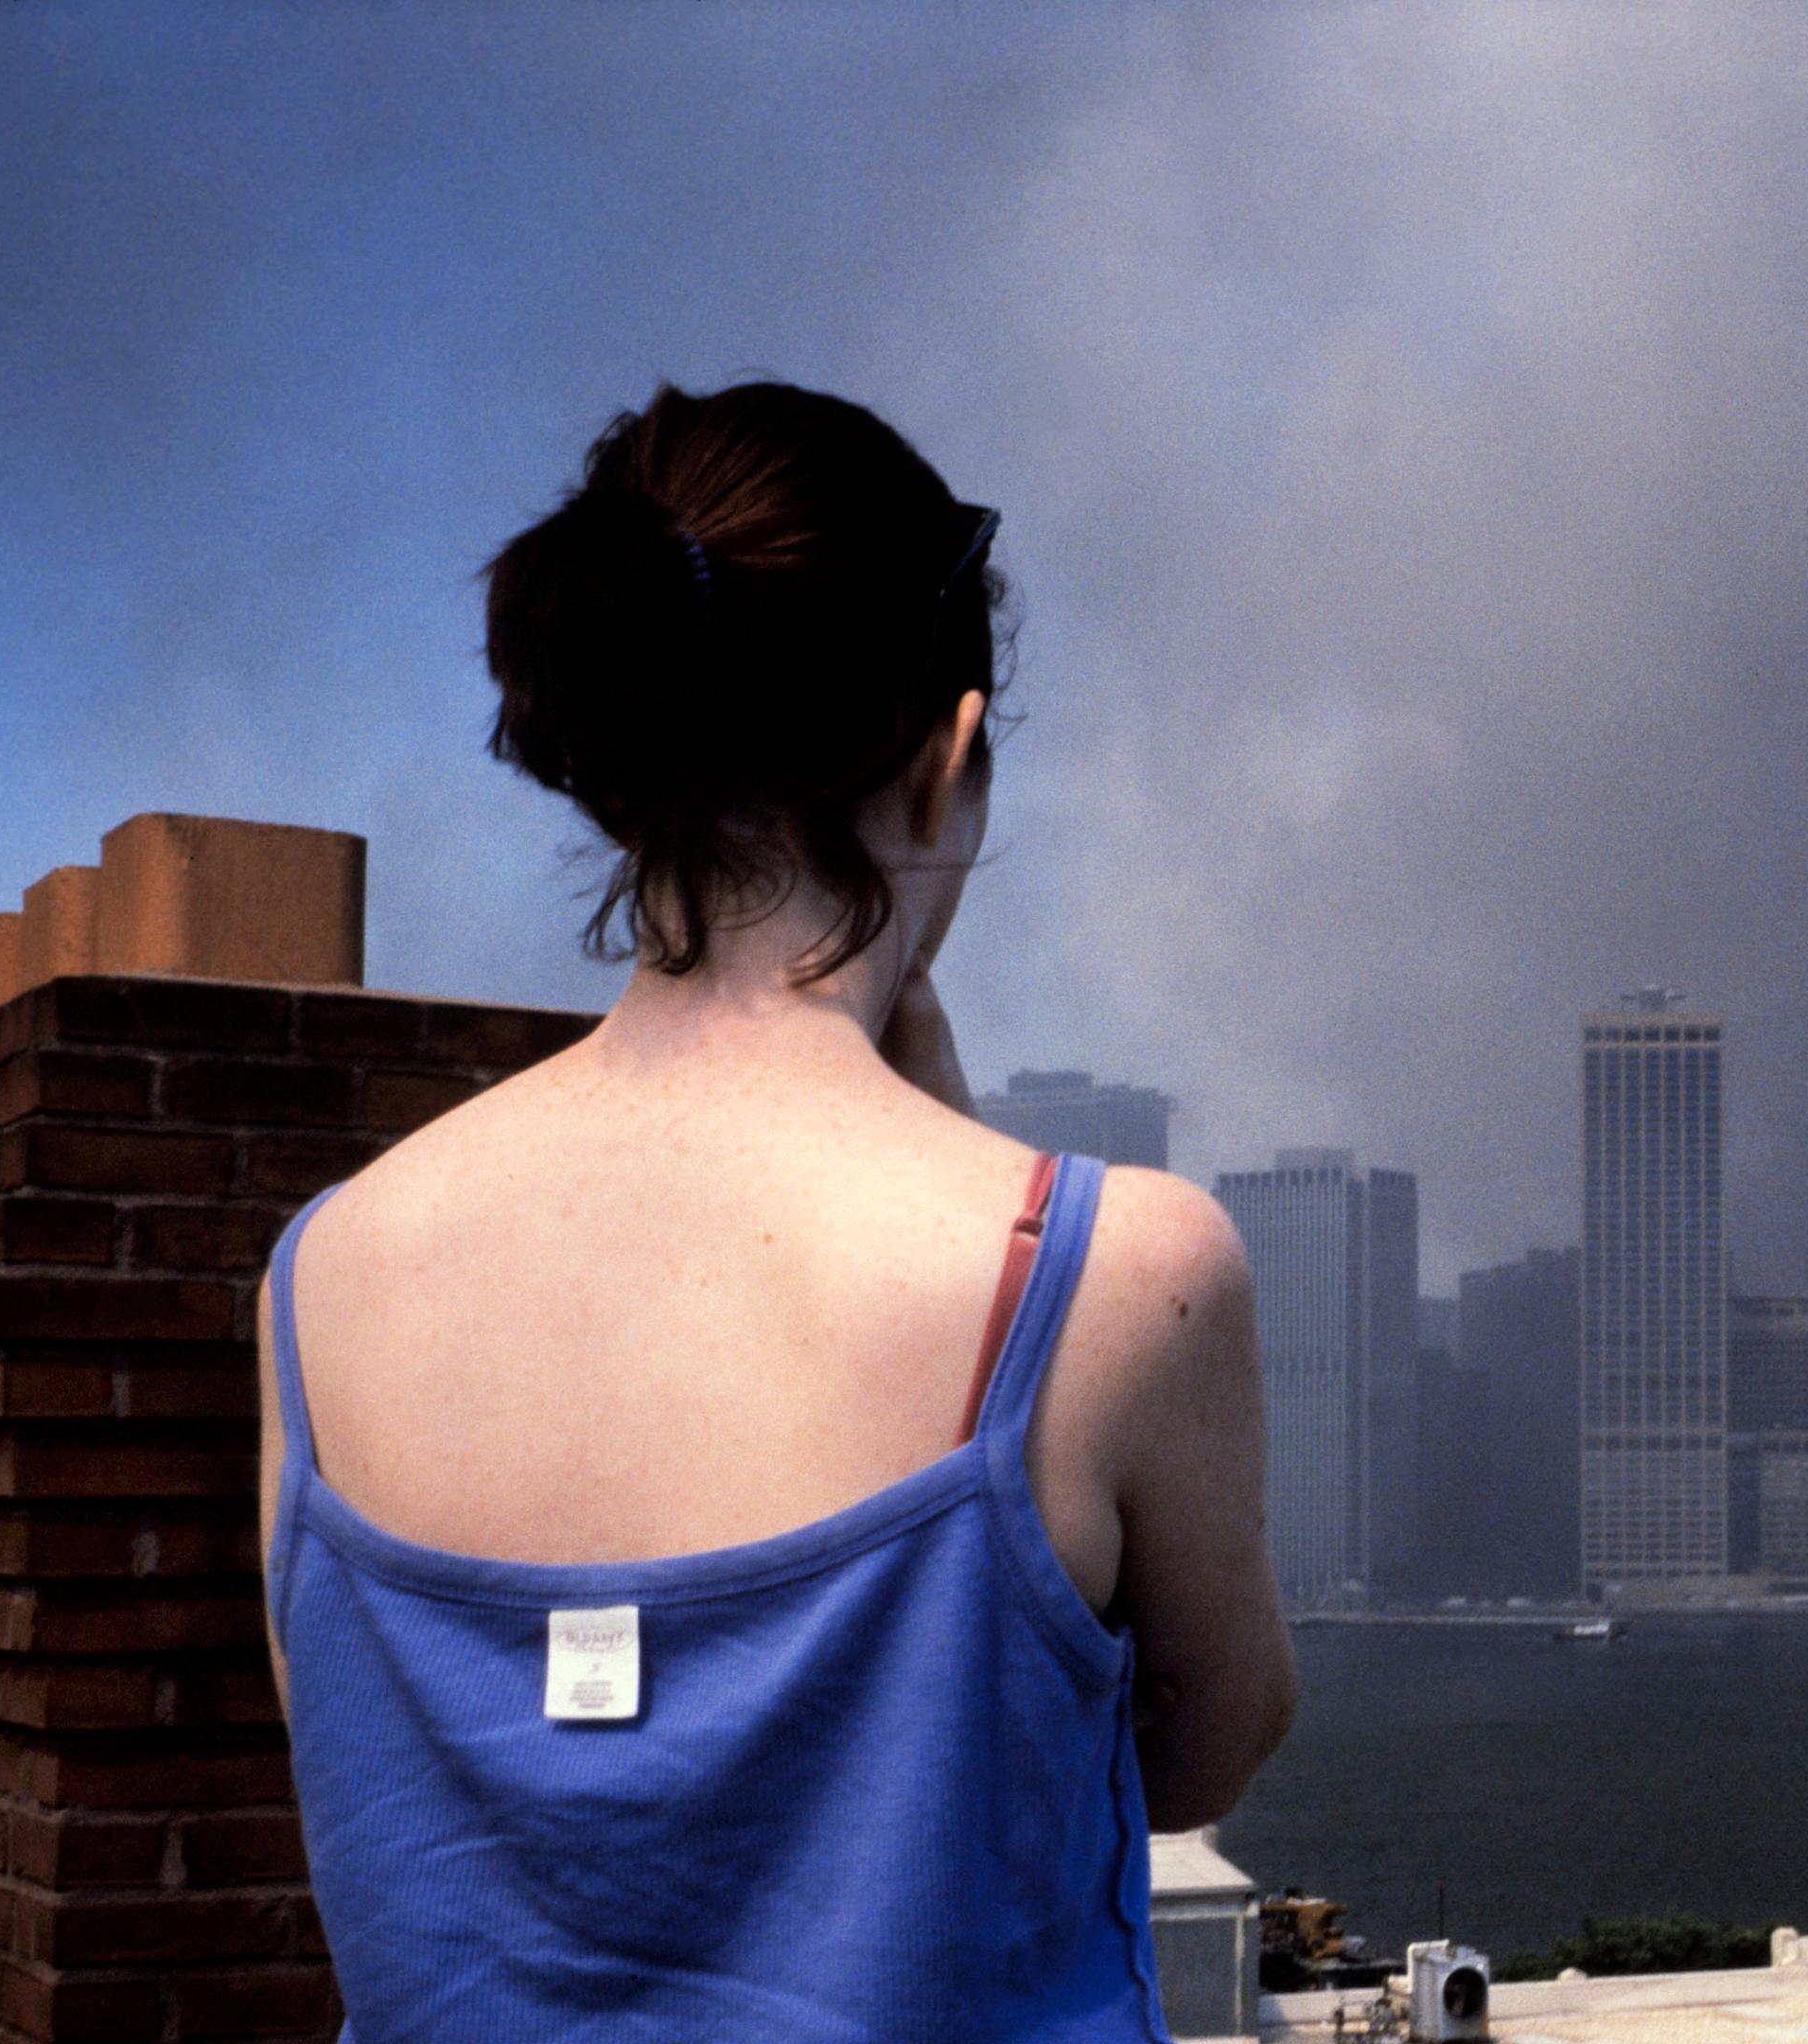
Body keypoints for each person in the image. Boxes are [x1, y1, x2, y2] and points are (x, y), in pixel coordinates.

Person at [254, 380, 1295, 2040]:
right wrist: (954, 1152)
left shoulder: (325, 1274)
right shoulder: (1113, 1273)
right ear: (947, 763)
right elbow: (1203, 1752)